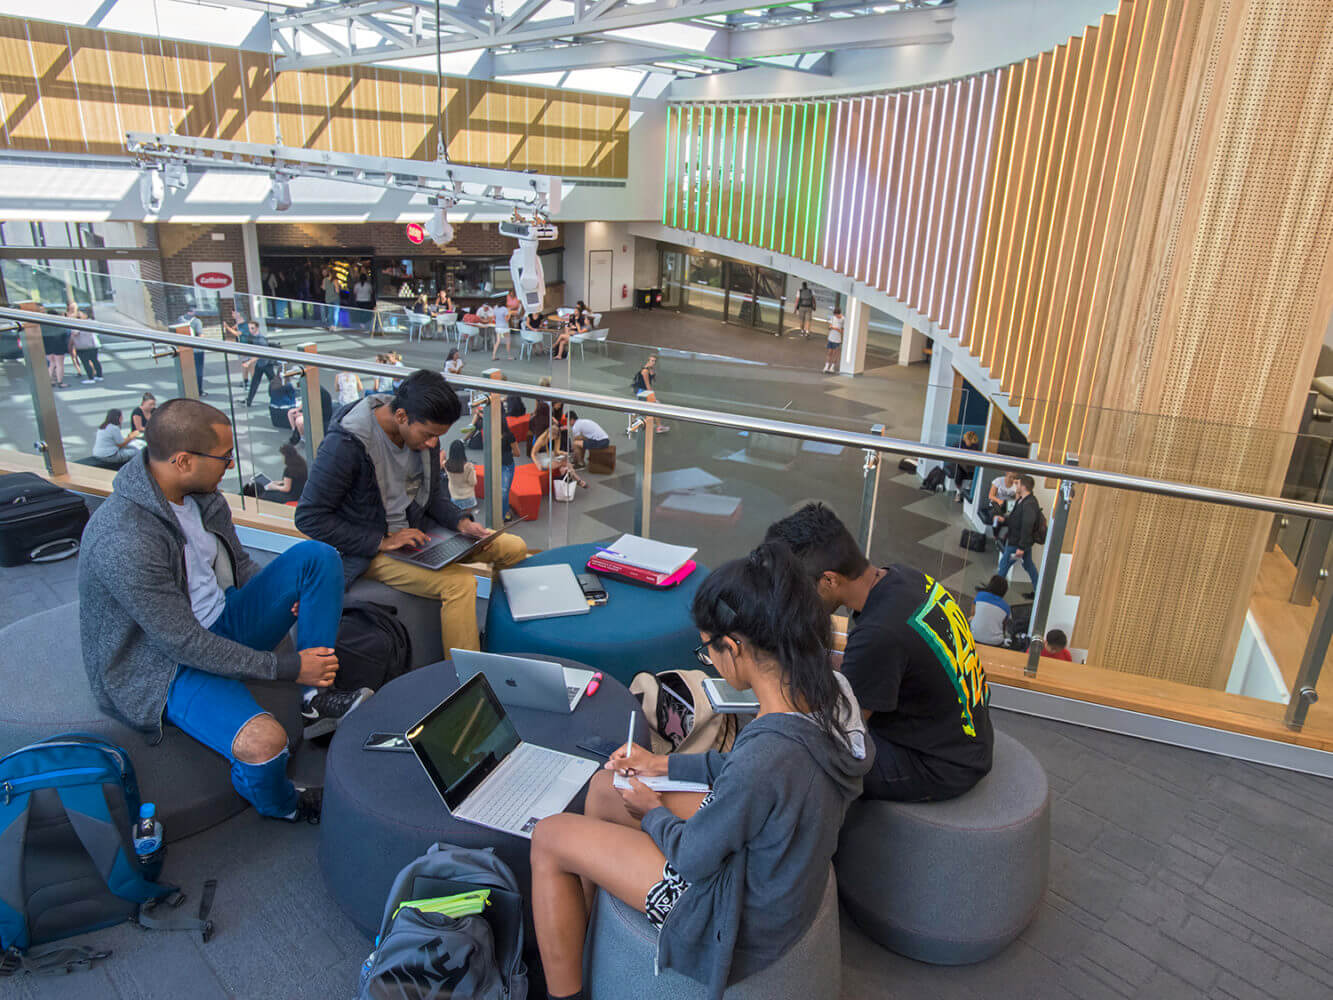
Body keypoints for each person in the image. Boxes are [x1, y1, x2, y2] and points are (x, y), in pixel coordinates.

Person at [530, 542, 871, 1000]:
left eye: (708, 649)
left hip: (736, 913)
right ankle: (585, 932)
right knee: (606, 787)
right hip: (783, 862)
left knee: (548, 837)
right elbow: (746, 775)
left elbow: (693, 856)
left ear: (735, 647)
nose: (708, 659)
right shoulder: (832, 692)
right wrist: (660, 763)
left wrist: (652, 810)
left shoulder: (769, 752)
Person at [78, 398, 365, 823]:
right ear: (182, 461)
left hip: (221, 617)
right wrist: (289, 667)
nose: (231, 466)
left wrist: (278, 595)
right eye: (224, 457)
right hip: (164, 664)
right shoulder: (124, 539)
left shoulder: (202, 496)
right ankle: (282, 805)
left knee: (318, 558)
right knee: (265, 743)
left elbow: (240, 565)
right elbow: (182, 643)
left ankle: (314, 700)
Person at [765, 502, 993, 802]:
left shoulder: (879, 634)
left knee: (803, 759)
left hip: (940, 765)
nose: (797, 601)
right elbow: (880, 665)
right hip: (966, 738)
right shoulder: (905, 578)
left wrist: (771, 696)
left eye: (799, 590)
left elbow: (843, 729)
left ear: (829, 580)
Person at [295, 371, 528, 653]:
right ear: (402, 416)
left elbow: (434, 496)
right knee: (460, 584)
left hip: (420, 534)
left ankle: (497, 635)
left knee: (514, 547)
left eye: (438, 437)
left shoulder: (421, 430)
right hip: (371, 551)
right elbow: (309, 516)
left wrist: (461, 522)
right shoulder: (345, 444)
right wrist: (381, 541)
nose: (433, 444)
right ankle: (465, 674)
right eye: (429, 435)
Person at [997, 475, 1042, 599]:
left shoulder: (1029, 504)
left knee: (1004, 564)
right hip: (1020, 542)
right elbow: (1015, 518)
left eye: (1018, 484)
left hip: (1017, 544)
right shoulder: (1022, 500)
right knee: (1028, 565)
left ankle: (994, 593)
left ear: (1023, 487)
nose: (1015, 485)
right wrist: (1004, 520)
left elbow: (1027, 526)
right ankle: (1038, 591)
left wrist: (1021, 547)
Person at [241, 321, 279, 407]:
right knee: (254, 383)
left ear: (257, 328)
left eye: (252, 328)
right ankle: (249, 401)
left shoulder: (261, 339)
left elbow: (261, 354)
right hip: (260, 364)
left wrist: (249, 362)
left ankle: (279, 398)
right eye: (249, 328)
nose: (250, 330)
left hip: (267, 364)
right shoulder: (253, 338)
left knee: (274, 383)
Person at [969, 575, 1010, 648]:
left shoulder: (979, 596)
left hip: (973, 637)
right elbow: (1003, 628)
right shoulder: (1006, 607)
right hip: (995, 643)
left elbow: (972, 615)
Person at [67, 303, 103, 383]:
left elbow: (75, 333)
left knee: (86, 362)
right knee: (95, 360)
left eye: (80, 313)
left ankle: (91, 378)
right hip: (93, 345)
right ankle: (99, 376)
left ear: (85, 314)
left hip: (83, 346)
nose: (79, 315)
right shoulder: (93, 322)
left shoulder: (78, 323)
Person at [444, 439, 477, 513]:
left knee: (457, 516)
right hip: (468, 496)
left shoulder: (446, 464)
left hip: (454, 495)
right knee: (467, 516)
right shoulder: (469, 466)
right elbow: (473, 482)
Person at [178, 307, 206, 396]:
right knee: (198, 371)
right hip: (197, 350)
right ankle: (199, 391)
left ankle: (189, 390)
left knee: (188, 371)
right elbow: (201, 336)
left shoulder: (180, 319)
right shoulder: (197, 321)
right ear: (193, 312)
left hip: (184, 349)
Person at [950, 430, 982, 503]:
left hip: (968, 465)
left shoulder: (975, 446)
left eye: (971, 441)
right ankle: (958, 492)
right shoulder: (960, 444)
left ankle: (969, 488)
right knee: (959, 471)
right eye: (968, 440)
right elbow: (954, 454)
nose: (969, 442)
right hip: (958, 464)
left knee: (975, 470)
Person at [987, 469, 1020, 536]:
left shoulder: (1016, 485)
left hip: (1008, 506)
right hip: (996, 504)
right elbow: (990, 496)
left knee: (1016, 516)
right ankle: (996, 536)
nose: (1012, 479)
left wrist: (1018, 487)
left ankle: (1007, 534)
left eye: (1014, 478)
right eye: (1010, 477)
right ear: (1007, 473)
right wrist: (999, 501)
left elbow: (1017, 500)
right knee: (997, 516)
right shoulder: (998, 481)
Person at [42, 313, 71, 388]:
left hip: (48, 347)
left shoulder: (43, 326)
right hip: (59, 346)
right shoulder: (60, 326)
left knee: (51, 364)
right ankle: (60, 382)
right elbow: (66, 335)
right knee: (59, 364)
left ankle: (49, 381)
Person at [823, 306, 843, 374]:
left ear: (839, 313)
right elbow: (830, 326)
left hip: (837, 339)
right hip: (831, 338)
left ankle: (832, 367)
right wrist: (831, 327)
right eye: (835, 314)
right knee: (829, 352)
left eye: (837, 315)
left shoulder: (843, 319)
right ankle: (826, 366)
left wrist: (835, 328)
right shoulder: (833, 318)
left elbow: (842, 331)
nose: (836, 316)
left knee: (835, 353)